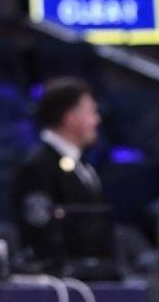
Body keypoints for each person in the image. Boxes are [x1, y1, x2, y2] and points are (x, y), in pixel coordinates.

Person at [11, 78, 111, 267]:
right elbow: (38, 231)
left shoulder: (82, 165)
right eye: (91, 112)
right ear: (70, 117)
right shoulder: (37, 167)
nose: (97, 120)